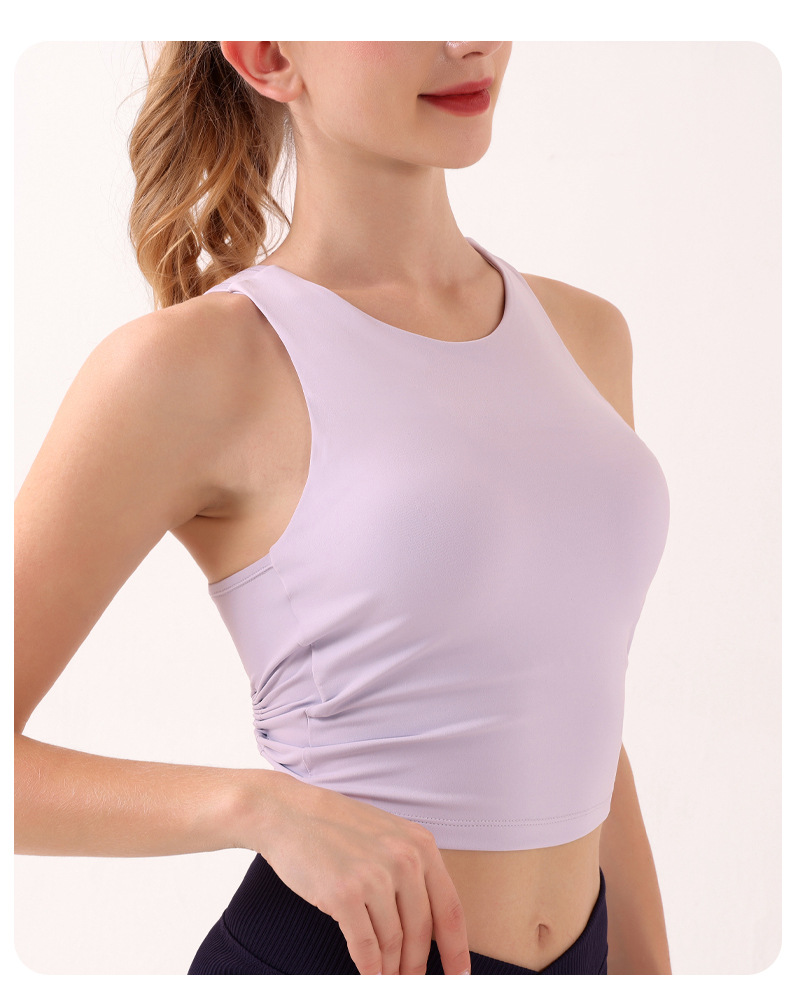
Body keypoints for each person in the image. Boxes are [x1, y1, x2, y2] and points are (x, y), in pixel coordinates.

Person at [14, 41, 673, 975]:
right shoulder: (200, 364)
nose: (468, 37)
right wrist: (255, 807)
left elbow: (577, 706)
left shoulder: (585, 336)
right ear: (268, 54)